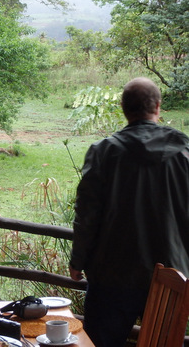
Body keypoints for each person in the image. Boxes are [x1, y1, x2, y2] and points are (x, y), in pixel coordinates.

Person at [69, 77, 189, 347]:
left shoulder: (104, 152)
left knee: (100, 343)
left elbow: (87, 213)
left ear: (124, 108)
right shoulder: (184, 150)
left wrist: (78, 260)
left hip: (112, 275)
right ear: (158, 106)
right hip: (171, 277)